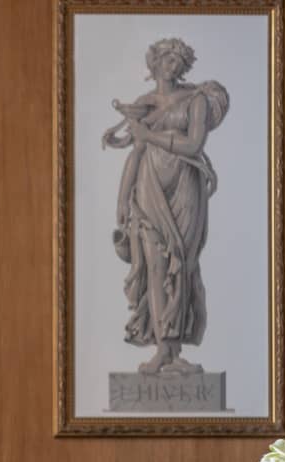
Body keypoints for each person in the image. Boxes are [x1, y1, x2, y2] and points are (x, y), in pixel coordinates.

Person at [102, 37, 229, 375]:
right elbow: (135, 152)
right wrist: (121, 198)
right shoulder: (144, 103)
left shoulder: (195, 100)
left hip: (186, 187)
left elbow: (192, 145)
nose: (171, 66)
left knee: (182, 265)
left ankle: (175, 351)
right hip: (150, 186)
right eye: (166, 59)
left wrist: (150, 135)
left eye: (177, 61)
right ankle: (162, 350)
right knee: (156, 268)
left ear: (183, 66)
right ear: (154, 63)